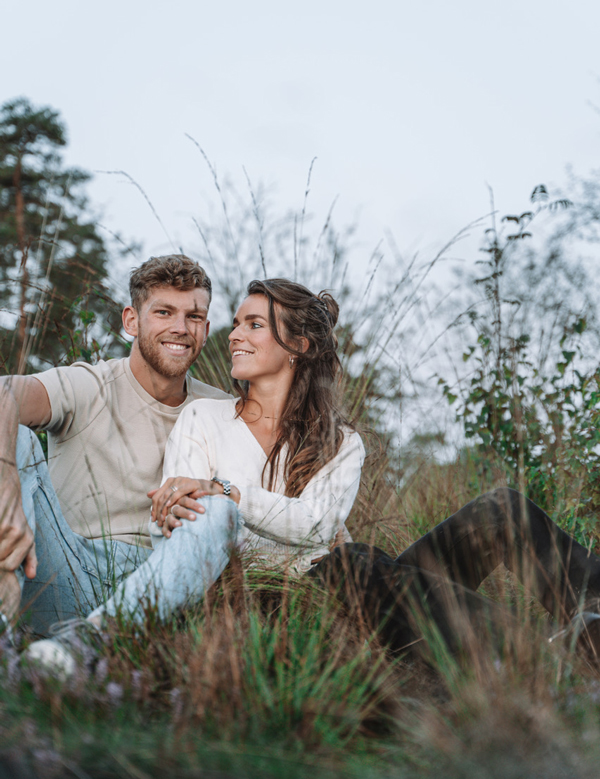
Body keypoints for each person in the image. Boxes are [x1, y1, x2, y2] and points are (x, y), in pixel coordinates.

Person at [25, 278, 365, 675]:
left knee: (219, 510)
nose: (234, 335)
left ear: (299, 346)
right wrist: (265, 529)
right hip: (184, 588)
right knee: (213, 514)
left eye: (253, 324)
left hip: (267, 606)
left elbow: (319, 526)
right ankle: (88, 641)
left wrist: (230, 495)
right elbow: (177, 524)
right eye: (236, 323)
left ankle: (86, 644)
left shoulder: (341, 443)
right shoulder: (204, 415)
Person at [0, 255, 228, 635]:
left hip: (165, 585)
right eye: (164, 312)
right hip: (65, 570)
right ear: (131, 321)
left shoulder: (221, 410)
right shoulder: (89, 384)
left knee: (222, 513)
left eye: (194, 316)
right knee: (14, 434)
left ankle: (84, 646)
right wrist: (8, 498)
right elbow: (4, 392)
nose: (180, 328)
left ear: (205, 327)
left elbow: (279, 486)